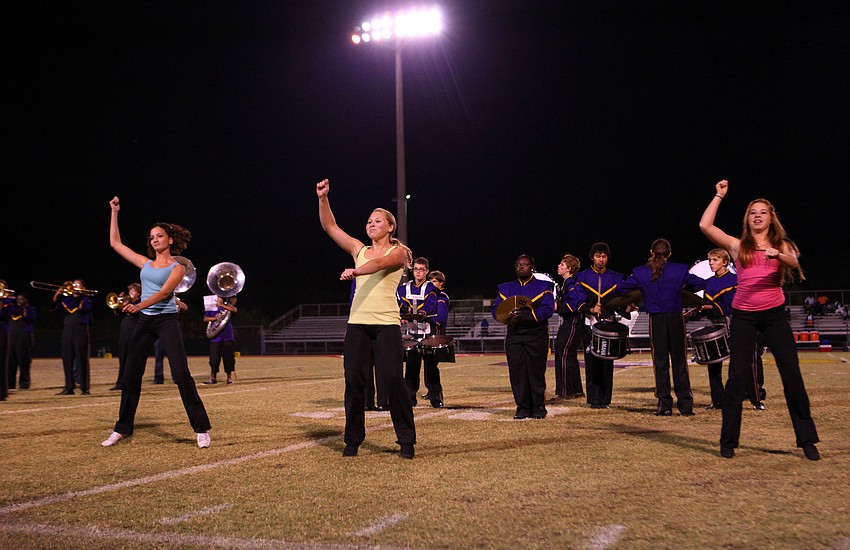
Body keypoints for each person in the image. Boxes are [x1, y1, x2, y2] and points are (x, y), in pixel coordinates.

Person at [699, 180, 819, 460]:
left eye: (763, 212)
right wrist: (718, 196)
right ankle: (728, 441)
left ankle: (806, 440)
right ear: (748, 218)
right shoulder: (737, 246)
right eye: (753, 211)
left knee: (791, 374)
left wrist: (778, 254)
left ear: (770, 218)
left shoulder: (783, 245)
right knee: (737, 377)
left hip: (775, 317)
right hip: (744, 318)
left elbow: (794, 262)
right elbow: (705, 226)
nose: (757, 215)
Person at [316, 178, 416, 459]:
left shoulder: (400, 252)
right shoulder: (359, 250)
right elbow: (330, 227)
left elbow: (381, 265)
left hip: (386, 326)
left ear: (390, 227)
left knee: (394, 381)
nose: (371, 224)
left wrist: (356, 271)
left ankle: (406, 440)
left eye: (377, 221)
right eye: (369, 221)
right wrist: (323, 198)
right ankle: (353, 441)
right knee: (354, 382)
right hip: (357, 325)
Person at [101, 196, 211, 449]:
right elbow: (115, 243)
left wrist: (137, 305)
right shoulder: (146, 264)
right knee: (131, 374)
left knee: (181, 373)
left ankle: (201, 428)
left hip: (166, 321)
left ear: (170, 239)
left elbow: (163, 295)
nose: (155, 240)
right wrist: (114, 212)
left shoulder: (178, 268)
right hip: (145, 322)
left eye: (159, 236)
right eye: (152, 237)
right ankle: (123, 427)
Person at [618, 239, 706, 416]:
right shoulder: (680, 269)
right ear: (670, 254)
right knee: (680, 362)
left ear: (651, 252)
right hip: (676, 318)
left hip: (656, 319)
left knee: (660, 363)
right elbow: (700, 284)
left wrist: (642, 293)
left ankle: (664, 405)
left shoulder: (641, 272)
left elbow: (621, 288)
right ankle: (686, 406)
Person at [699, 249, 767, 411]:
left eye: (715, 260)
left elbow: (731, 304)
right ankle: (717, 400)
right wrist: (699, 307)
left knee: (745, 362)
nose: (711, 263)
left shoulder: (735, 279)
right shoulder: (708, 282)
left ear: (724, 262)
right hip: (716, 323)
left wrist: (709, 306)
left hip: (735, 323)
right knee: (713, 362)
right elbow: (708, 306)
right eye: (710, 260)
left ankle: (755, 399)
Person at [491, 254, 555, 419]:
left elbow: (547, 310)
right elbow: (495, 309)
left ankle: (539, 408)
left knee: (535, 372)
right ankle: (522, 407)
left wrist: (526, 316)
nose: (522, 267)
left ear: (532, 267)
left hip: (536, 333)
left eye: (525, 264)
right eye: (519, 264)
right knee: (517, 372)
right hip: (514, 335)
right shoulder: (505, 288)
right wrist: (506, 315)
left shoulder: (545, 286)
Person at [574, 242, 624, 409]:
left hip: (608, 323)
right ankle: (594, 399)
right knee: (592, 360)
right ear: (592, 257)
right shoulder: (582, 277)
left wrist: (628, 305)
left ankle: (605, 400)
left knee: (607, 360)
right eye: (598, 256)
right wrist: (590, 308)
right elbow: (578, 300)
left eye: (604, 256)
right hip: (589, 323)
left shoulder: (616, 277)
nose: (601, 260)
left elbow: (623, 298)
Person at [397, 257, 438, 406]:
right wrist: (402, 313)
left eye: (421, 269)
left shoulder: (431, 288)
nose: (418, 272)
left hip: (427, 333)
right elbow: (398, 303)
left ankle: (436, 398)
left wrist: (423, 313)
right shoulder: (404, 288)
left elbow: (430, 306)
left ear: (427, 271)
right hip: (411, 333)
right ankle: (410, 398)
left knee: (431, 367)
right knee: (411, 368)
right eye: (416, 269)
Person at [551, 254, 585, 401]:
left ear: (569, 269)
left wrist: (557, 306)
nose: (559, 266)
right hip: (572, 322)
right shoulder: (567, 283)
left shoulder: (572, 284)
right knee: (570, 355)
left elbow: (576, 304)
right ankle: (576, 390)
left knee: (563, 353)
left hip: (572, 321)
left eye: (562, 264)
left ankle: (565, 391)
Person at [53, 279, 93, 395]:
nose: (74, 286)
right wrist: (57, 295)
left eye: (78, 285)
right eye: (73, 285)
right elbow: (54, 309)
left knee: (82, 358)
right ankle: (69, 387)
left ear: (83, 288)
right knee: (67, 358)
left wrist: (78, 296)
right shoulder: (65, 300)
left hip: (80, 330)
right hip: (67, 331)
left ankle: (85, 387)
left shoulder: (86, 299)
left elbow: (85, 308)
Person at [422, 269, 449, 408]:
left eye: (434, 282)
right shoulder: (429, 296)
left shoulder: (441, 296)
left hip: (435, 334)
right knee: (424, 366)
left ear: (441, 283)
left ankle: (436, 396)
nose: (431, 284)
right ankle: (430, 392)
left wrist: (424, 316)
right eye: (430, 281)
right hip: (424, 334)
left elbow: (440, 319)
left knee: (431, 366)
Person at [110, 283, 141, 391]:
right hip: (124, 332)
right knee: (122, 358)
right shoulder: (127, 302)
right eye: (130, 291)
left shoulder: (140, 303)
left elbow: (140, 314)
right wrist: (119, 304)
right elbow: (117, 313)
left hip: (134, 332)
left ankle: (131, 383)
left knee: (132, 359)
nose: (130, 293)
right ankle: (120, 383)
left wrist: (130, 306)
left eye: (133, 291)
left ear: (138, 293)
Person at [152, 296, 187, 384]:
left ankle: (176, 378)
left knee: (173, 356)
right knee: (158, 357)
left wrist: (175, 300)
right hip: (159, 332)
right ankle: (158, 378)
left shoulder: (173, 301)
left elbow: (184, 307)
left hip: (170, 331)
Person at [203, 296, 238, 385]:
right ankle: (212, 377)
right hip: (215, 338)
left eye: (219, 297)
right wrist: (214, 318)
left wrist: (221, 305)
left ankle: (229, 378)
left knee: (228, 358)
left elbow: (234, 310)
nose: (218, 298)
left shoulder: (227, 307)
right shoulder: (211, 307)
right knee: (214, 360)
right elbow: (205, 318)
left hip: (227, 337)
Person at [8, 292, 38, 391]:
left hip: (24, 338)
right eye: (18, 299)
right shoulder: (12, 308)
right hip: (12, 337)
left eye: (21, 299)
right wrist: (9, 300)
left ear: (26, 300)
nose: (19, 301)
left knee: (24, 361)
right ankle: (10, 383)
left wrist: (12, 303)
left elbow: (29, 317)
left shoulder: (30, 309)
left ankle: (24, 383)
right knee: (11, 362)